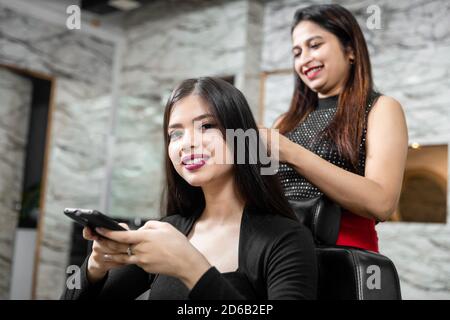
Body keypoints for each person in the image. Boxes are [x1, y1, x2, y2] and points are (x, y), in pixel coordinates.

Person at [61, 77, 317, 300]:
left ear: (242, 137)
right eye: (175, 134)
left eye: (206, 126)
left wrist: (191, 268)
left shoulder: (286, 239)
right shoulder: (168, 230)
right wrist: (95, 266)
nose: (187, 144)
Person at [260, 4, 408, 253]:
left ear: (350, 50)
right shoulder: (284, 123)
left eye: (315, 45)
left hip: (342, 258)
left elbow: (382, 202)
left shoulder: (381, 108)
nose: (304, 59)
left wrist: (291, 153)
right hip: (283, 256)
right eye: (297, 52)